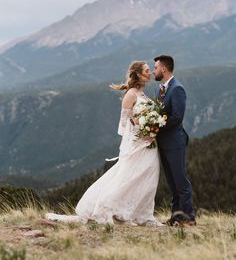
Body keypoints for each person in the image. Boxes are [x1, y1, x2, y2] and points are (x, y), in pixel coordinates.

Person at [46, 61, 163, 226]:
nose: (150, 73)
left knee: (149, 176)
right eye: (146, 71)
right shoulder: (131, 94)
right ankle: (106, 208)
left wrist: (151, 127)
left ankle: (143, 214)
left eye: (150, 70)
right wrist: (140, 126)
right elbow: (124, 123)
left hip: (149, 142)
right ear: (137, 74)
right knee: (129, 177)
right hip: (138, 143)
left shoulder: (143, 94)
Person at [153, 55, 196, 226]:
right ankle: (176, 216)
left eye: (155, 67)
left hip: (175, 142)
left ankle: (189, 218)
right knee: (172, 182)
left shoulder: (177, 89)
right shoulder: (159, 89)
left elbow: (177, 117)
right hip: (163, 143)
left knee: (181, 181)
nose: (153, 71)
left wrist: (156, 127)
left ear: (163, 69)